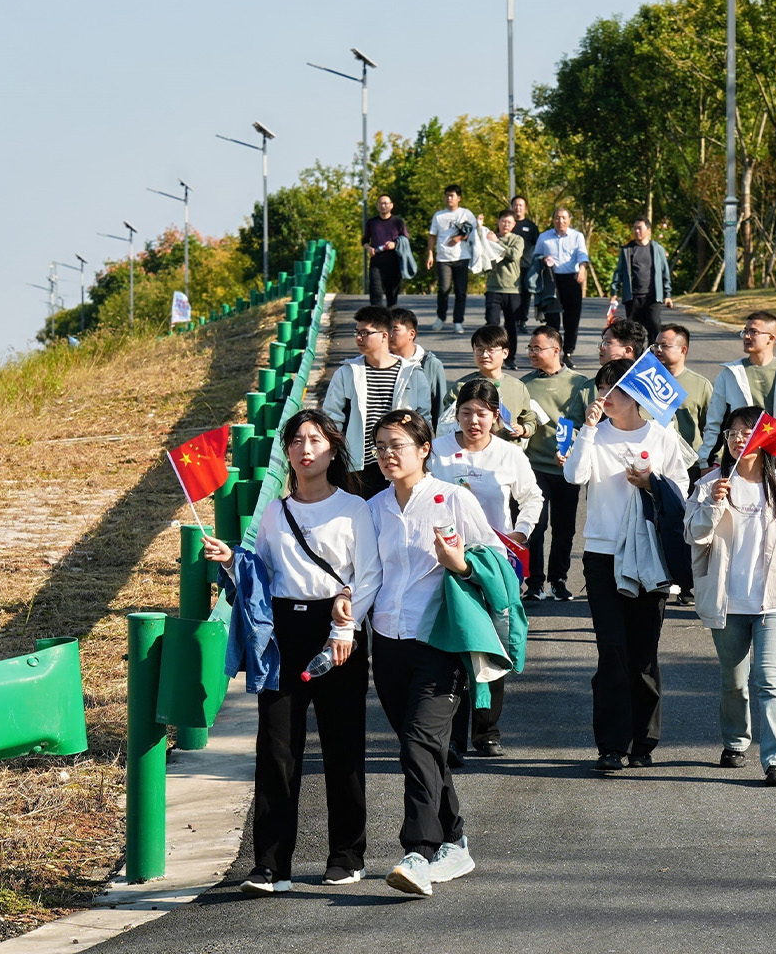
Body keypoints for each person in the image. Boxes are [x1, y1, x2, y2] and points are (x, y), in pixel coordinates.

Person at [201, 409, 381, 893]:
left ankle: (346, 856)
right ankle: (270, 864)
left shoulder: (354, 508)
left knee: (343, 746)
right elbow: (260, 574)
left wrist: (344, 630)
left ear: (333, 449)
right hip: (282, 634)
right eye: (297, 441)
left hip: (336, 630)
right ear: (287, 451)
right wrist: (231, 561)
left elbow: (369, 575)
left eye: (316, 440)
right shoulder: (275, 512)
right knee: (276, 749)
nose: (306, 449)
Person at [369, 408, 498, 897]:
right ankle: (455, 840)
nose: (388, 454)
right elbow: (366, 574)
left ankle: (418, 852)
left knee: (418, 741)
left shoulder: (453, 499)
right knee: (422, 747)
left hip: (439, 640)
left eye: (398, 445)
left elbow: (494, 564)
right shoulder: (374, 507)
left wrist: (460, 564)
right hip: (387, 640)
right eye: (381, 446)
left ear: (425, 449)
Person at [564, 358, 691, 772]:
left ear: (636, 394)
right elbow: (574, 475)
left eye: (614, 389)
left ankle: (643, 742)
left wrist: (651, 482)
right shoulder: (593, 434)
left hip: (649, 553)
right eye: (601, 388)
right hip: (602, 553)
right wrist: (587, 429)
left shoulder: (662, 436)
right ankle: (610, 745)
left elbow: (681, 490)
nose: (605, 396)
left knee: (644, 651)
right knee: (612, 649)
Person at [686, 405, 776, 788]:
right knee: (734, 680)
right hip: (728, 601)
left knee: (769, 677)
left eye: (747, 431)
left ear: (764, 438)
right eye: (732, 433)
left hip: (773, 600)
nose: (738, 438)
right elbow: (694, 536)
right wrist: (712, 503)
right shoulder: (710, 484)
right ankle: (735, 741)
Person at [429, 378, 542, 759]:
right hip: (444, 560)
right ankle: (451, 737)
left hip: (493, 561)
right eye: (466, 413)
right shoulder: (438, 451)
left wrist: (520, 532)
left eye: (481, 413)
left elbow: (533, 497)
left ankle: (487, 732)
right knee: (454, 645)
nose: (473, 421)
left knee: (491, 643)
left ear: (496, 416)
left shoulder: (509, 455)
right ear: (456, 415)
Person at [323, 306, 431, 500]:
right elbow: (332, 419)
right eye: (357, 332)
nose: (359, 338)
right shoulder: (346, 373)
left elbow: (424, 419)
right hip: (358, 467)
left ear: (384, 335)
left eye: (365, 333)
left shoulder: (412, 373)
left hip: (399, 463)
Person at [519, 325, 591, 602]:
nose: (532, 353)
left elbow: (586, 423)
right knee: (534, 526)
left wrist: (572, 451)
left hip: (566, 467)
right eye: (530, 348)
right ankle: (534, 582)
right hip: (533, 466)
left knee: (564, 528)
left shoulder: (580, 383)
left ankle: (558, 580)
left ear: (556, 350)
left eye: (537, 348)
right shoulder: (524, 385)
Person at [707, 310, 776, 479]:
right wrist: (706, 459)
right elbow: (714, 421)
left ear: (771, 338)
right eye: (745, 331)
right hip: (741, 464)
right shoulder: (729, 375)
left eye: (753, 332)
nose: (746, 336)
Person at [650, 324, 717, 605]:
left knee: (686, 525)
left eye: (664, 345)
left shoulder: (700, 385)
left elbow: (712, 427)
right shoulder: (647, 380)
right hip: (653, 467)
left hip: (690, 467)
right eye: (656, 345)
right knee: (653, 524)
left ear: (683, 350)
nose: (658, 350)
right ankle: (658, 577)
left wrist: (710, 461)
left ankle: (688, 582)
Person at [450, 325, 532, 443]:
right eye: (479, 349)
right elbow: (448, 423)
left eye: (491, 350)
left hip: (509, 451)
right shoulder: (462, 386)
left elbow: (529, 419)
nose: (484, 355)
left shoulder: (518, 387)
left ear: (505, 353)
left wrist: (523, 429)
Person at [534, 208, 590, 361]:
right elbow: (536, 255)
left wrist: (582, 268)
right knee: (552, 320)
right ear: (553, 220)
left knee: (572, 319)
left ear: (569, 219)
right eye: (557, 218)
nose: (561, 221)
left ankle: (568, 352)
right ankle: (553, 352)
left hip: (572, 279)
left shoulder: (577, 236)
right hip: (551, 280)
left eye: (564, 218)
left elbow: (582, 254)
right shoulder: (544, 237)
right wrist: (543, 259)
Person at [610, 219, 673, 345]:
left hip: (653, 297)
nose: (636, 231)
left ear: (649, 230)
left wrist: (667, 294)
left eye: (640, 228)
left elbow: (665, 272)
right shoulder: (627, 250)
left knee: (654, 327)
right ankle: (636, 356)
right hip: (633, 298)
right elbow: (619, 272)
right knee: (633, 332)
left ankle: (652, 354)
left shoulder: (657, 249)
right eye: (634, 228)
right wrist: (614, 292)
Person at [389, 307, 451, 430]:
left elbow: (440, 409)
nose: (388, 334)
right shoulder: (379, 364)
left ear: (411, 334)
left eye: (394, 329)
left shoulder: (430, 364)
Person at [428, 184, 477, 333]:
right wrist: (430, 253)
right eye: (447, 195)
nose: (449, 198)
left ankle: (458, 321)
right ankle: (441, 317)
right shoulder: (439, 215)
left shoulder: (466, 214)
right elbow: (432, 235)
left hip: (462, 257)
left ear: (459, 198)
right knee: (443, 289)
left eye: (452, 196)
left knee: (460, 291)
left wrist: (459, 238)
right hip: (443, 257)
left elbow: (474, 232)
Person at [481, 212, 528, 364]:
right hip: (493, 288)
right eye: (503, 221)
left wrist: (497, 243)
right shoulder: (489, 237)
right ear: (498, 222)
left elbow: (514, 255)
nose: (506, 224)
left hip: (512, 289)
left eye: (509, 222)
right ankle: (490, 357)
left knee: (511, 326)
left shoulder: (518, 239)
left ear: (514, 224)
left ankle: (510, 358)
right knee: (492, 325)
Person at [365, 194, 409, 307]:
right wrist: (369, 248)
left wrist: (395, 244)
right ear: (377, 206)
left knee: (392, 295)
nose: (383, 206)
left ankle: (391, 316)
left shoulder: (398, 222)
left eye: (386, 203)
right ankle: (377, 316)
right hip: (376, 262)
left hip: (394, 262)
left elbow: (405, 239)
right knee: (375, 291)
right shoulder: (372, 222)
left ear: (391, 205)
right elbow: (364, 241)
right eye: (380, 203)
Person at [511, 196, 542, 337]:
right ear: (512, 207)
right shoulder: (507, 223)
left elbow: (538, 245)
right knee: (511, 296)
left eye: (521, 205)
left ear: (525, 208)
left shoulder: (531, 226)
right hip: (510, 267)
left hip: (526, 266)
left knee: (525, 296)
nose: (518, 208)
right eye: (515, 205)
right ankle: (511, 320)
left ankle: (522, 321)